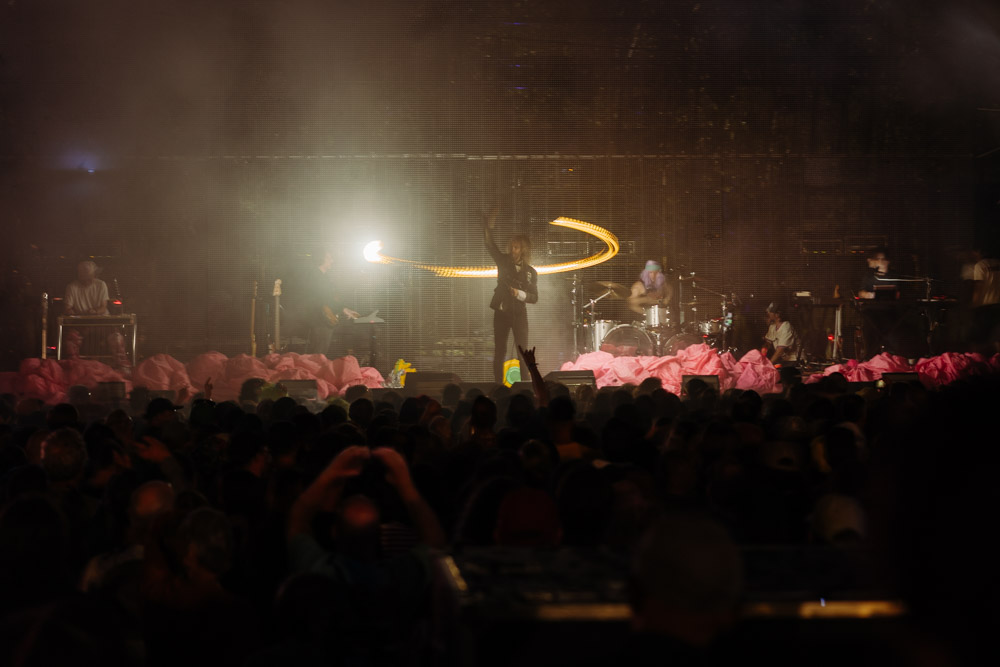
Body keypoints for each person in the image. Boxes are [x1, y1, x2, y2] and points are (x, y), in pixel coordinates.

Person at [484, 206, 538, 384]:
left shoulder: (530, 272)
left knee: (523, 352)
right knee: (500, 350)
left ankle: (525, 385)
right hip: (502, 311)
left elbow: (534, 297)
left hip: (519, 313)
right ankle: (498, 384)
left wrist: (519, 294)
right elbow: (489, 245)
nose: (513, 250)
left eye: (516, 247)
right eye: (512, 247)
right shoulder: (503, 261)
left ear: (523, 250)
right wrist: (489, 226)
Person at [304, 248, 359, 356]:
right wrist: (343, 309)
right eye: (329, 258)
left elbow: (329, 299)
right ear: (321, 259)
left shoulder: (323, 277)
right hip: (320, 321)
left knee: (319, 354)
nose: (332, 261)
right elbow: (323, 299)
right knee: (318, 355)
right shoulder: (316, 277)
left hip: (323, 320)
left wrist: (344, 309)